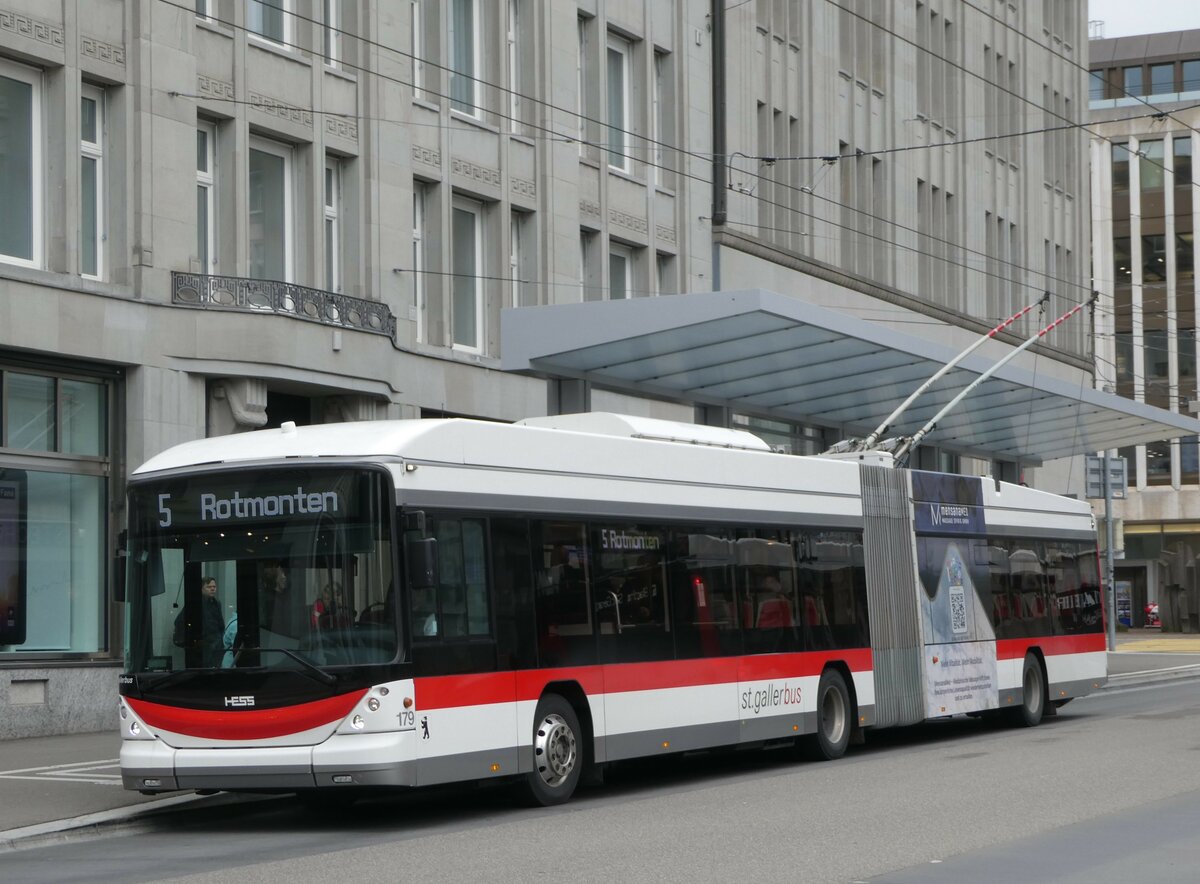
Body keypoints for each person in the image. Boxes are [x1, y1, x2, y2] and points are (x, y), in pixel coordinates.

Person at [173, 576, 225, 667]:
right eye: (209, 587)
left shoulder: (216, 604)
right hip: (202, 646)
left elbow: (220, 624)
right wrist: (194, 640)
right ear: (201, 589)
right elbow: (179, 621)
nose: (212, 589)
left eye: (214, 587)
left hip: (216, 645)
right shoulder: (196, 603)